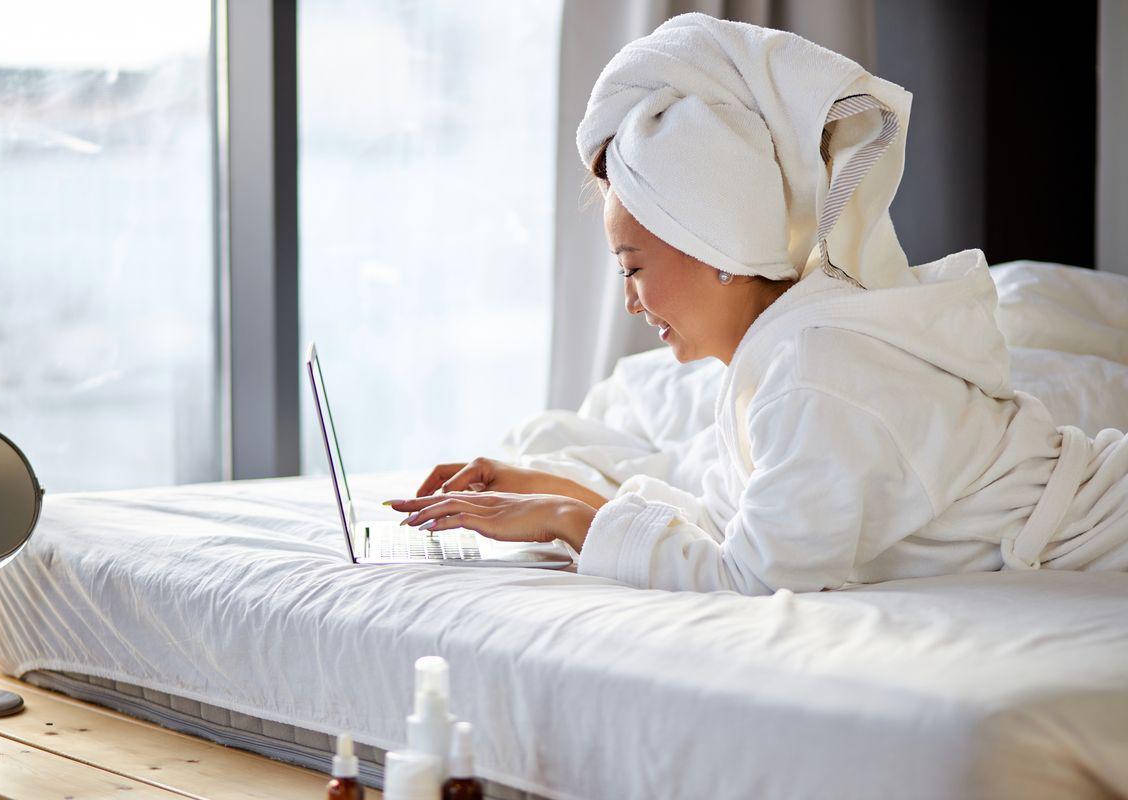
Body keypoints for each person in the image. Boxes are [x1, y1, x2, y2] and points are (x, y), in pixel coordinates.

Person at [384, 14, 1128, 594]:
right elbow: (731, 523)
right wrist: (549, 486)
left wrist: (570, 522)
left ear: (716, 248)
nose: (632, 301)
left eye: (632, 265)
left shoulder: (816, 369)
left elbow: (755, 576)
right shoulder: (774, 359)